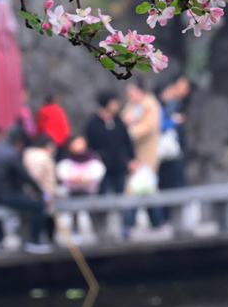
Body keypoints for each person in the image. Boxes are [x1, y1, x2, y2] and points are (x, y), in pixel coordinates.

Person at [0, 126, 51, 252]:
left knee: (18, 202)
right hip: (3, 195)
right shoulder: (11, 153)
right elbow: (25, 176)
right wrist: (42, 193)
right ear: (19, 142)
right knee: (38, 206)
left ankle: (0, 240)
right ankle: (33, 241)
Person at [83, 91, 134, 236]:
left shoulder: (118, 121)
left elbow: (127, 141)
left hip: (119, 166)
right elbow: (90, 146)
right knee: (102, 198)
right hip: (101, 168)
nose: (116, 105)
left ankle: (125, 228)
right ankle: (101, 230)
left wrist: (131, 158)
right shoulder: (93, 123)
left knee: (122, 197)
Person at [123, 81, 164, 228]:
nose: (130, 95)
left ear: (141, 91)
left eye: (132, 92)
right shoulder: (131, 105)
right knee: (138, 187)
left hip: (147, 151)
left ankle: (154, 221)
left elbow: (148, 126)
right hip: (133, 152)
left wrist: (129, 131)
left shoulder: (150, 104)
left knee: (145, 184)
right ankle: (150, 222)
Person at [55, 135, 106, 237]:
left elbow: (97, 172)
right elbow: (62, 173)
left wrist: (84, 178)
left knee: (93, 212)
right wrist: (74, 178)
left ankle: (99, 234)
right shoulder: (67, 160)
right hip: (73, 191)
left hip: (89, 191)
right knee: (74, 213)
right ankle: (75, 232)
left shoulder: (93, 158)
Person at [155, 73, 191, 193]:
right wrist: (174, 121)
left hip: (175, 151)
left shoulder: (178, 103)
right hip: (166, 152)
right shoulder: (162, 106)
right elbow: (159, 125)